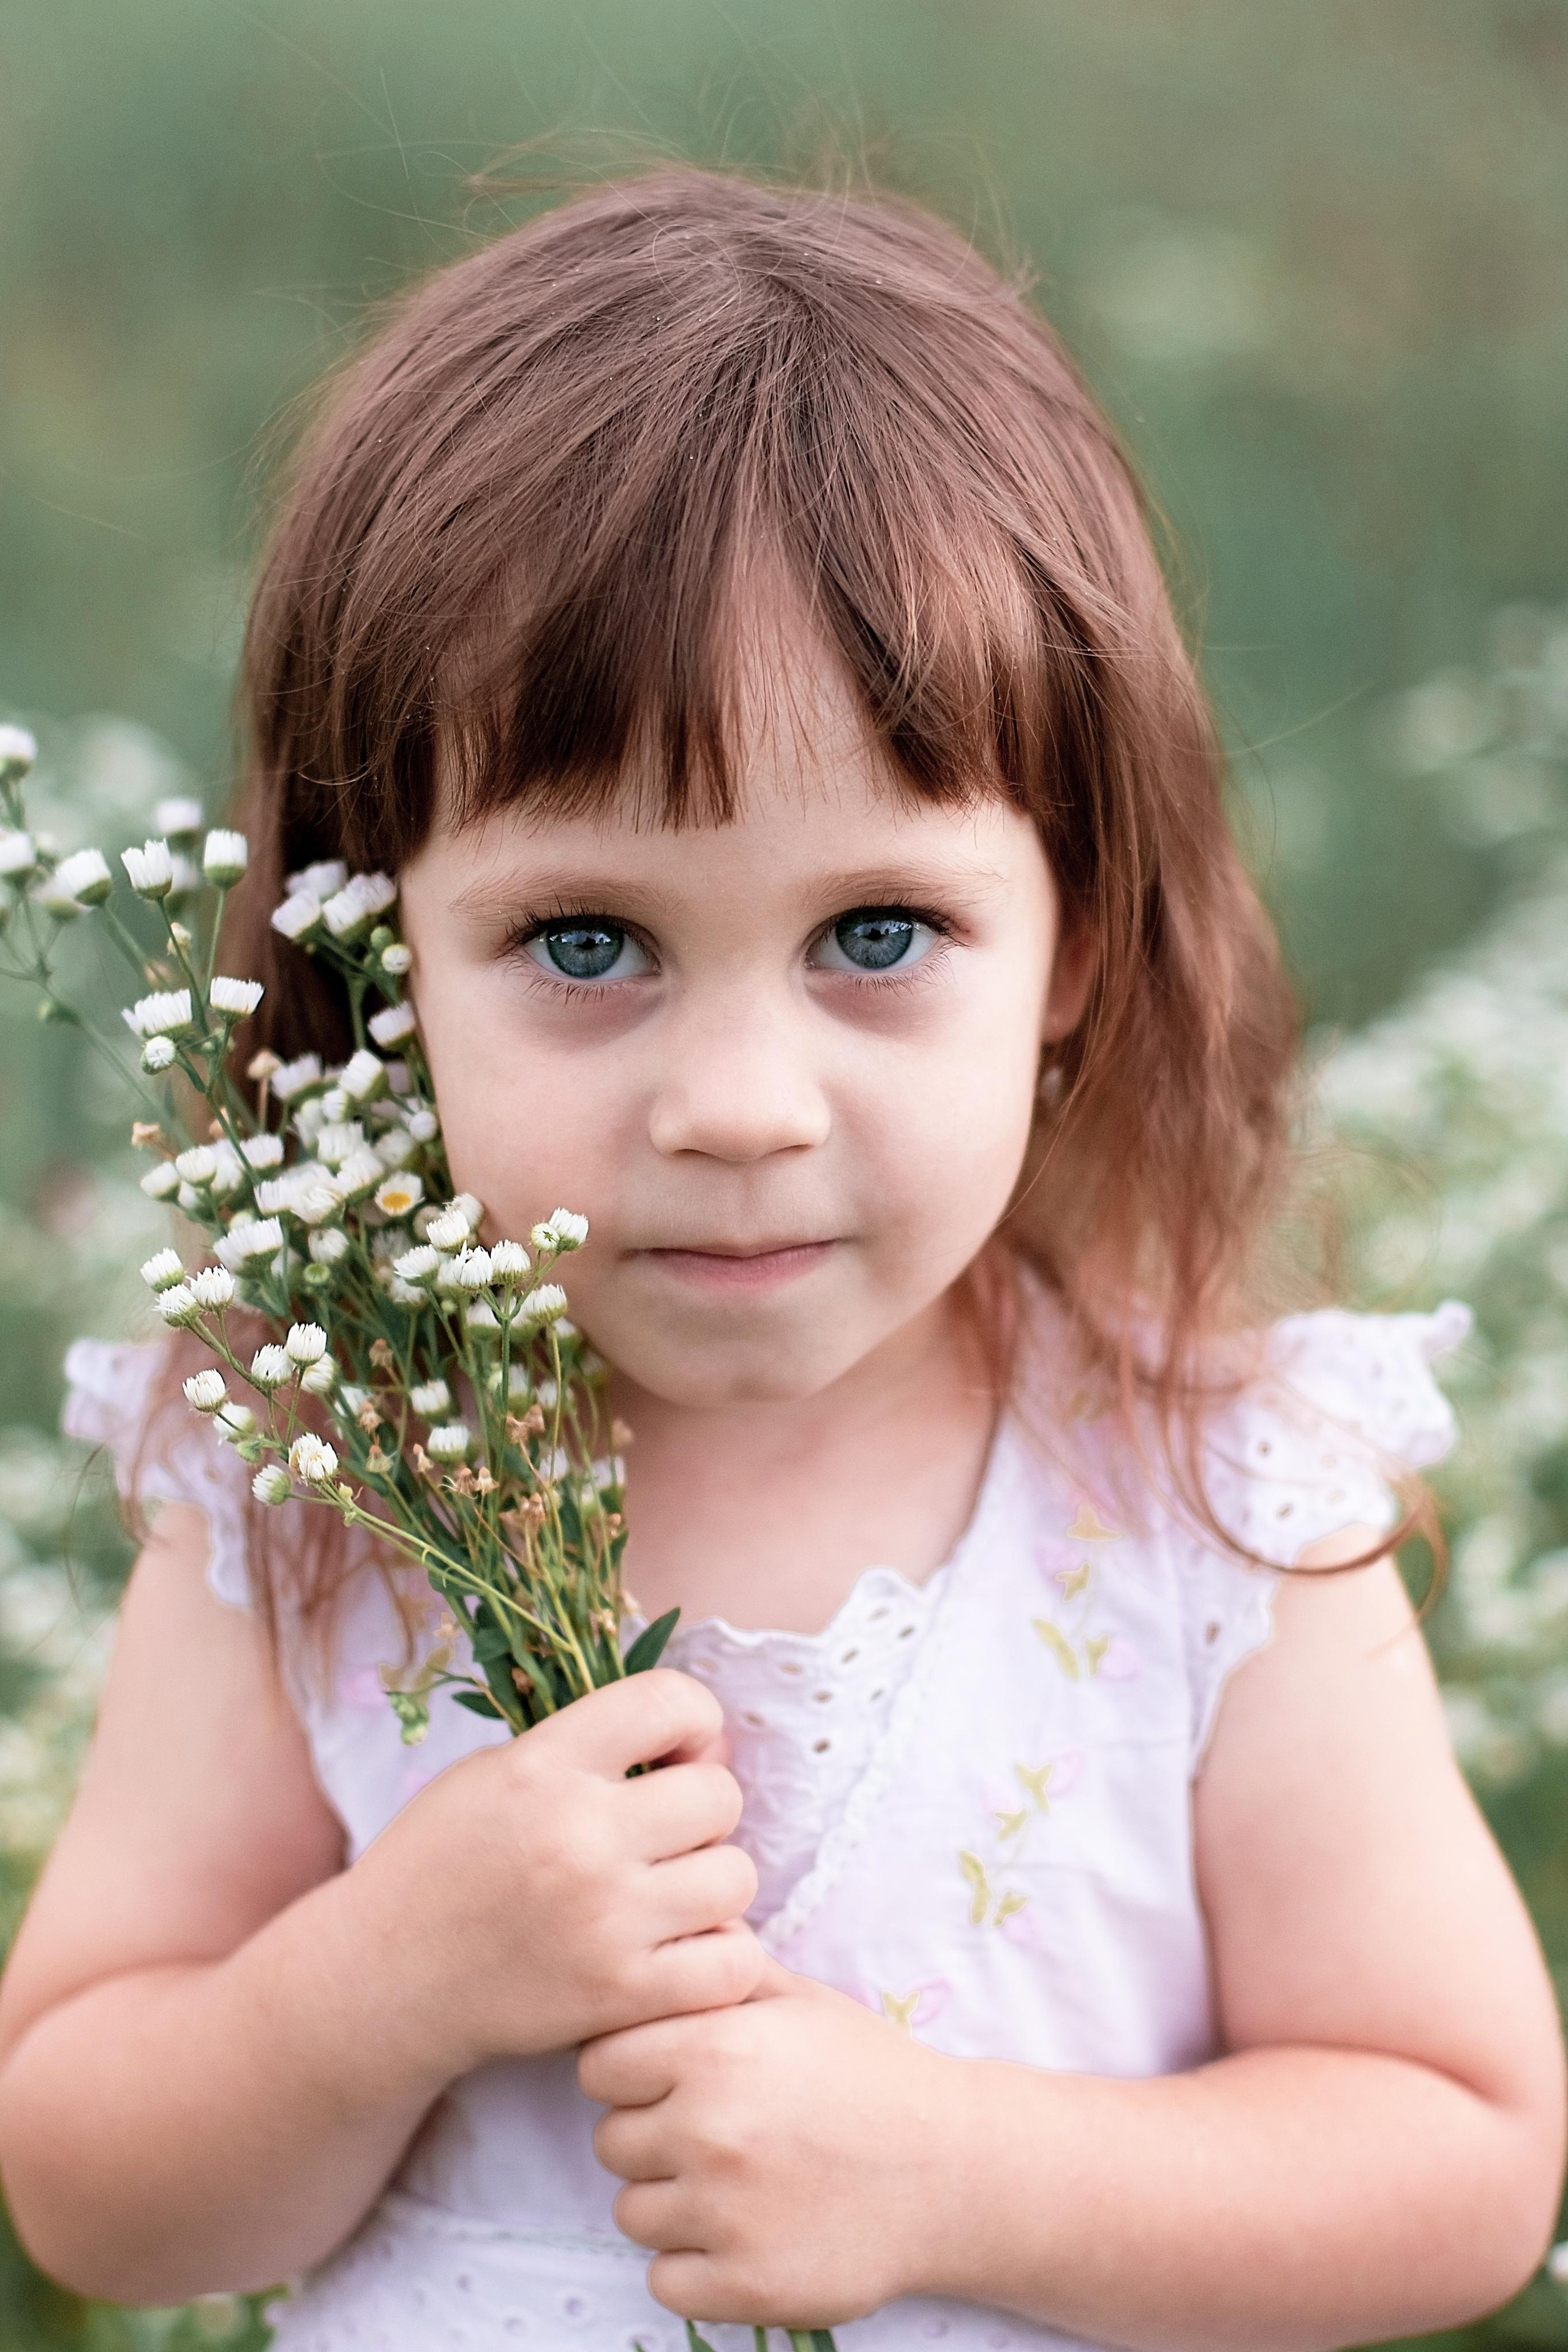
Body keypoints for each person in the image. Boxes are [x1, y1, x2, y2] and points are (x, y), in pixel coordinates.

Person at [0, 168, 1561, 2352]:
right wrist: (381, 1985)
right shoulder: (311, 1493)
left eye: (876, 936)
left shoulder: (1212, 1497)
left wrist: (949, 2173)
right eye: (586, 943)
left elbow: (1460, 2149)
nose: (741, 1101)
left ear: (1071, 947)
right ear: (383, 959)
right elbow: (87, 2181)